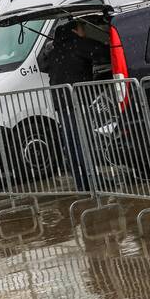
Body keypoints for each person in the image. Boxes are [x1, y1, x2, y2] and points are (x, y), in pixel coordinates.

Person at [38, 20, 106, 191]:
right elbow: (103, 53)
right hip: (77, 100)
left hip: (61, 102)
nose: (85, 32)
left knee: (72, 142)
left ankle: (81, 182)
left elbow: (43, 66)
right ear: (76, 31)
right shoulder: (78, 44)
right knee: (83, 141)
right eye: (83, 28)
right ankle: (92, 181)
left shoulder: (55, 50)